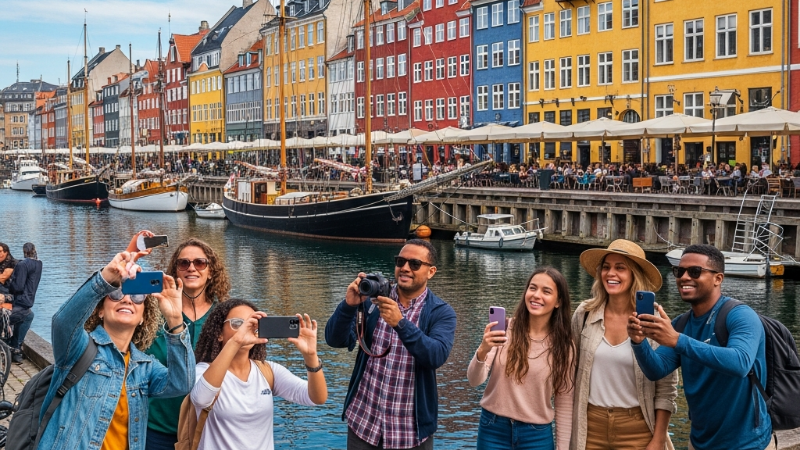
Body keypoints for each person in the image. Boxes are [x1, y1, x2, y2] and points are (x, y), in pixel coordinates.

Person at [37, 233, 194, 450]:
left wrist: (176, 320)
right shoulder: (78, 349)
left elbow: (182, 383)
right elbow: (64, 322)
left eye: (137, 296)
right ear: (100, 310)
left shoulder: (144, 367)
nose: (127, 298)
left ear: (142, 318)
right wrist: (105, 280)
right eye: (116, 293)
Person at [628, 244, 774, 450]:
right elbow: (656, 369)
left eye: (695, 271)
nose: (684, 277)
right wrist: (638, 341)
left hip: (747, 444)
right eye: (680, 271)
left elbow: (740, 363)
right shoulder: (681, 324)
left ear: (718, 278)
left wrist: (678, 340)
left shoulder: (740, 315)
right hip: (699, 443)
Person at [325, 239, 456, 450]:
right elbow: (335, 339)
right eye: (400, 261)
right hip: (363, 425)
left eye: (414, 264)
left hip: (410, 434)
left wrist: (400, 323)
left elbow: (436, 355)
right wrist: (348, 306)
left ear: (431, 272)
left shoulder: (440, 312)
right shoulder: (372, 302)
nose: (405, 268)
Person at [572, 239, 677, 450]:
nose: (611, 273)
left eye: (620, 268)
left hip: (638, 428)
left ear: (634, 275)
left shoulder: (654, 321)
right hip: (590, 426)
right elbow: (569, 368)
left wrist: (658, 440)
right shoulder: (584, 314)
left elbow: (666, 389)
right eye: (606, 267)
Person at [190, 299, 327, 450]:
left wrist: (311, 356)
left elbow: (316, 398)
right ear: (219, 334)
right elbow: (200, 399)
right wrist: (236, 342)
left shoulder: (267, 371)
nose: (246, 329)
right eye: (237, 323)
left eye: (253, 324)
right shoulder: (203, 371)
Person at [467, 267, 575, 450]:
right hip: (492, 429)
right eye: (532, 288)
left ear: (558, 302)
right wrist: (483, 349)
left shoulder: (564, 345)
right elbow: (474, 380)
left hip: (537, 436)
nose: (536, 295)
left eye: (546, 291)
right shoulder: (503, 328)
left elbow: (564, 401)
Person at [145, 237, 232, 449]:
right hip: (159, 426)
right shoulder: (155, 313)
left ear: (211, 271)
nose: (191, 268)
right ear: (176, 271)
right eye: (183, 263)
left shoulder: (225, 316)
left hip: (209, 429)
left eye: (200, 263)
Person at [6, 243, 42, 363]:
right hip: (26, 301)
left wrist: (10, 281)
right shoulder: (39, 264)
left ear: (24, 251)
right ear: (34, 250)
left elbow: (18, 286)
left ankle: (13, 347)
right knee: (28, 316)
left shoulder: (23, 264)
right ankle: (15, 348)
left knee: (25, 316)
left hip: (20, 301)